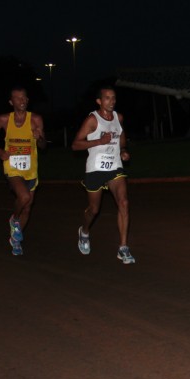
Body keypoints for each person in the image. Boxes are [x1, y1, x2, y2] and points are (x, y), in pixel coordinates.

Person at [72, 86, 135, 264]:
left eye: (113, 98)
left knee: (124, 202)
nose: (111, 101)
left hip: (115, 167)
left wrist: (123, 150)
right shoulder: (93, 120)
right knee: (94, 210)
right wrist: (99, 141)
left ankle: (123, 247)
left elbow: (121, 138)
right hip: (95, 169)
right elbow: (75, 145)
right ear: (99, 101)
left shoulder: (118, 118)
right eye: (107, 98)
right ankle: (84, 231)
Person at [0, 87, 46, 256]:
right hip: (12, 166)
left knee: (27, 208)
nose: (22, 101)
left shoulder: (36, 119)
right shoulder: (4, 119)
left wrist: (38, 137)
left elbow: (43, 146)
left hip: (31, 169)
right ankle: (14, 219)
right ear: (11, 102)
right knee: (24, 197)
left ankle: (15, 240)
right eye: (18, 98)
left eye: (24, 98)